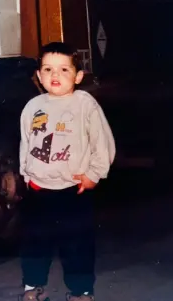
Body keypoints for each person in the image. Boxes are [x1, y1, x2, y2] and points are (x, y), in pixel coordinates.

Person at [18, 42, 116, 301]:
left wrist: (94, 174)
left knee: (76, 244)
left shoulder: (84, 104)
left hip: (73, 191)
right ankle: (33, 286)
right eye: (48, 69)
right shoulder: (33, 107)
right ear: (38, 75)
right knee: (34, 243)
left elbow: (102, 142)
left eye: (64, 69)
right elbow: (26, 142)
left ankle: (81, 290)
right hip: (38, 189)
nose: (55, 75)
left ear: (78, 76)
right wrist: (26, 174)